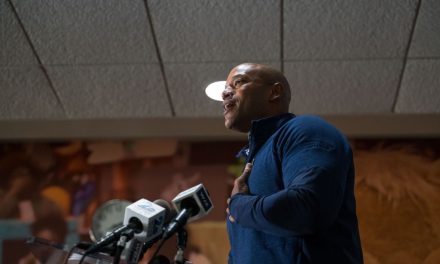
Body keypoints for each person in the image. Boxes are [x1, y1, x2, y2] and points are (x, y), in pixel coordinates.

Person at [222, 63, 363, 263]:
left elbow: (306, 207)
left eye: (238, 83)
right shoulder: (252, 161)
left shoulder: (305, 130)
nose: (226, 93)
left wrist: (239, 206)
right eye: (225, 88)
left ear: (275, 92)